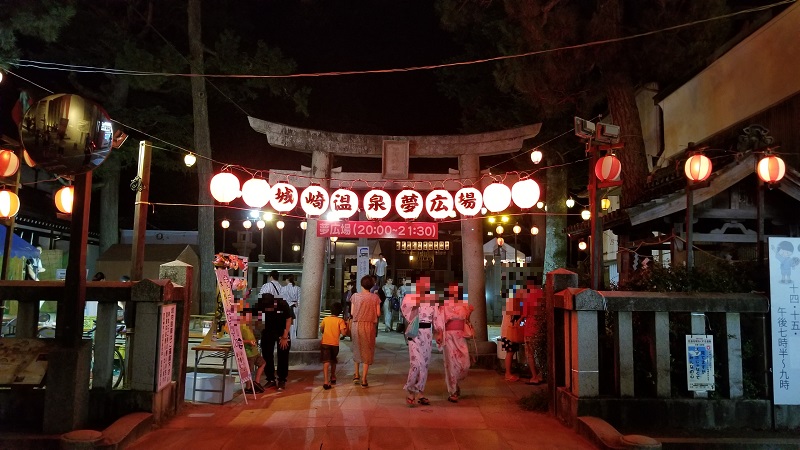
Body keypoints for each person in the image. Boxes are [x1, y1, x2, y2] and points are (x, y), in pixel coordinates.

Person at [435, 282, 474, 402]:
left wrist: (470, 314)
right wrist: (440, 333)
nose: (454, 292)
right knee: (451, 364)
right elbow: (440, 322)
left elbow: (466, 320)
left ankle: (456, 383)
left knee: (465, 363)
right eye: (452, 290)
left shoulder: (464, 305)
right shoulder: (444, 306)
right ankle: (452, 391)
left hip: (460, 336)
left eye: (456, 290)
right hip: (449, 337)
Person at [402, 275, 437, 406]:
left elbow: (437, 318)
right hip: (414, 333)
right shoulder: (410, 298)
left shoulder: (432, 300)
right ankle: (411, 390)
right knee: (416, 363)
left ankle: (421, 392)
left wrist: (439, 332)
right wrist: (415, 306)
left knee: (425, 364)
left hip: (427, 334)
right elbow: (406, 314)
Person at [257, 292, 294, 391]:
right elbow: (257, 319)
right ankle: (271, 379)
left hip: (282, 330)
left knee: (283, 353)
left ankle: (282, 379)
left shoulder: (282, 303)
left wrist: (285, 336)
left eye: (270, 307)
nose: (268, 310)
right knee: (267, 354)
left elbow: (289, 319)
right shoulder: (261, 304)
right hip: (268, 330)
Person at [350, 275, 381, 388]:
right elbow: (378, 313)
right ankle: (364, 379)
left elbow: (352, 312)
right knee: (367, 349)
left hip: (356, 324)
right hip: (369, 326)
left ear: (361, 284)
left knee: (357, 347)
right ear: (372, 286)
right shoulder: (375, 298)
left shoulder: (355, 296)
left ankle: (356, 375)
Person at [519, 278, 545, 385]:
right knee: (541, 352)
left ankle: (534, 376)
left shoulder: (528, 297)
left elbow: (525, 314)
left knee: (530, 352)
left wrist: (519, 321)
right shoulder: (543, 295)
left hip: (530, 327)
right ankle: (542, 374)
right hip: (541, 326)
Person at [319, 302, 347, 390]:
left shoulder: (325, 319)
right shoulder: (340, 321)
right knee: (333, 360)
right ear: (340, 312)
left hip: (325, 343)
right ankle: (333, 376)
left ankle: (326, 381)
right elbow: (343, 333)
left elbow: (321, 329)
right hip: (335, 344)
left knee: (326, 362)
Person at [500, 292, 525, 382]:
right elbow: (514, 316)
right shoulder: (512, 302)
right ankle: (508, 373)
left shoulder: (509, 301)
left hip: (507, 331)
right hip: (509, 331)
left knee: (510, 352)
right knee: (510, 352)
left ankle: (509, 373)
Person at [240, 313, 265, 394]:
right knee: (249, 370)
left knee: (263, 363)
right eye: (248, 316)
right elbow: (237, 340)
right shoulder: (240, 326)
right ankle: (248, 387)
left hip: (254, 351)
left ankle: (256, 382)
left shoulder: (248, 326)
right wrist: (248, 342)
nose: (250, 318)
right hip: (248, 352)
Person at [281, 274, 301, 339]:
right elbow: (300, 299)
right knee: (295, 324)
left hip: (286, 308)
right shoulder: (298, 288)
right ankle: (294, 338)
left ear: (287, 280)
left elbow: (282, 299)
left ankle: (286, 336)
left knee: (286, 323)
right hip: (295, 307)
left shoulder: (283, 289)